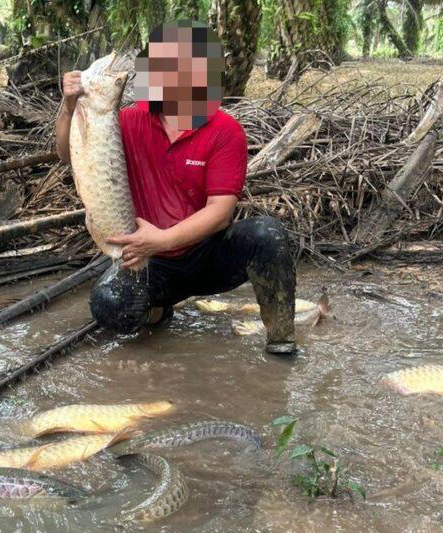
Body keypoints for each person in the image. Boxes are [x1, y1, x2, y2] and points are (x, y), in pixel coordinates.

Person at [55, 21, 297, 355]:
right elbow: (67, 153)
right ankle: (158, 311)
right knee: (110, 305)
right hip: (149, 260)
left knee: (268, 236)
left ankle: (281, 341)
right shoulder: (126, 120)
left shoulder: (226, 131)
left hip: (205, 251)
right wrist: (70, 107)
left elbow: (220, 213)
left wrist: (163, 240)